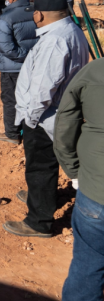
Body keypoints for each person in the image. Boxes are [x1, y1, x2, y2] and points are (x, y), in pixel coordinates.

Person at [3, 0, 90, 238]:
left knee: (40, 166)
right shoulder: (71, 31)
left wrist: (30, 119)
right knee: (47, 163)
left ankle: (38, 221)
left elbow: (43, 87)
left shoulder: (54, 40)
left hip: (44, 117)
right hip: (57, 114)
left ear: (39, 14)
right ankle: (40, 196)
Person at [54, 57, 104, 300]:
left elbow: (65, 123)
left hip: (96, 191)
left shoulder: (95, 70)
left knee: (87, 267)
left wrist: (73, 170)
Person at [0, 0, 39, 145]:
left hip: (13, 67)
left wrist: (22, 57)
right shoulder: (37, 12)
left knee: (11, 99)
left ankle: (12, 134)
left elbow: (4, 45)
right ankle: (31, 132)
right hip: (34, 65)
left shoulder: (7, 17)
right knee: (32, 98)